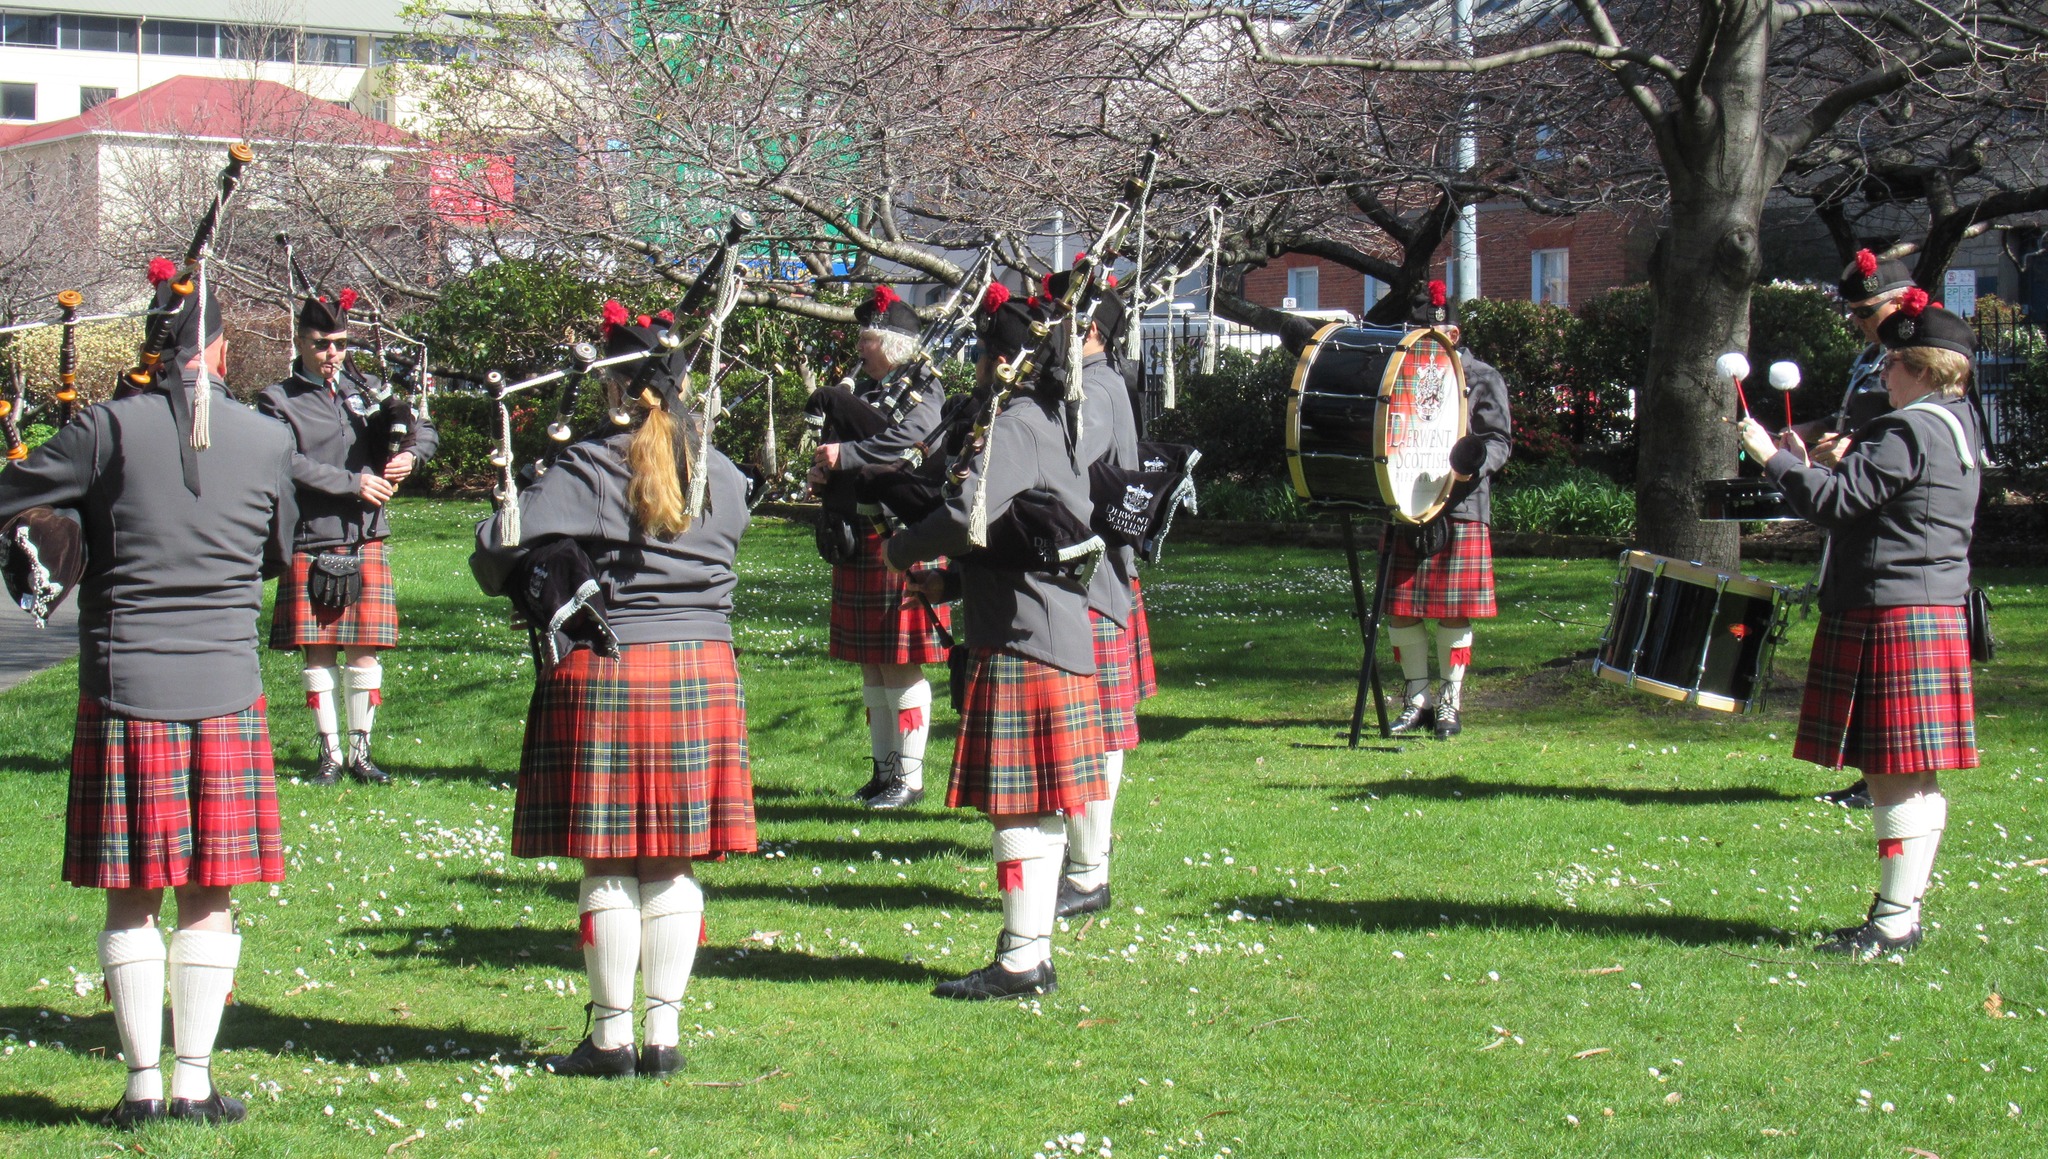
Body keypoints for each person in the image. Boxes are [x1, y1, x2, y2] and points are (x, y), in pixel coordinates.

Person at [0, 261, 296, 1127]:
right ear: (221, 351)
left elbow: (10, 494)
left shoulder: (103, 430)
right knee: (210, 891)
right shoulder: (268, 438)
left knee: (132, 893)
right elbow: (277, 552)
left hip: (124, 684)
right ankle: (194, 1085)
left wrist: (64, 527)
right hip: (227, 686)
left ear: (153, 348)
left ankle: (140, 1089)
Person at [473, 306, 755, 1075]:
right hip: (702, 670)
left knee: (609, 861)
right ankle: (663, 1039)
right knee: (672, 859)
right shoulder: (725, 474)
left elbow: (496, 547)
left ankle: (610, 1039)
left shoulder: (591, 466)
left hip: (612, 668)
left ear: (613, 387)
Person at [1739, 290, 1981, 960]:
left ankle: (1893, 925)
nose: (1884, 377)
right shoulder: (1957, 424)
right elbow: (1884, 499)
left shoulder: (1907, 430)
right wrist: (1813, 463)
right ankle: (1902, 914)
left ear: (1922, 368)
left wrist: (1772, 459)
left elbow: (1838, 505)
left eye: (1893, 365)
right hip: (1929, 606)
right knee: (1917, 776)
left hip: (1890, 609)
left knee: (1892, 774)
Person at [889, 288, 1106, 1000]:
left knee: (1019, 805)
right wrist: (952, 583)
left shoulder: (1014, 424)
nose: (976, 366)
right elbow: (1024, 531)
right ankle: (1028, 953)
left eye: (983, 353)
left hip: (1024, 637)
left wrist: (902, 549)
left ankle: (1020, 960)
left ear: (1003, 360)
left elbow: (965, 515)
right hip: (1044, 624)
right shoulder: (1053, 417)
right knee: (1037, 805)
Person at [258, 290, 438, 786]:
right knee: (318, 649)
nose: (332, 353)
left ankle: (361, 753)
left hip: (365, 536)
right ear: (300, 342)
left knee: (364, 647)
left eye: (339, 343)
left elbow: (423, 428)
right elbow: (285, 461)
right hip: (311, 536)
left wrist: (412, 454)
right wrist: (352, 483)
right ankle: (329, 756)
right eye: (321, 343)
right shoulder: (277, 400)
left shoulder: (369, 389)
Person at [809, 285, 952, 809]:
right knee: (872, 663)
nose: (860, 347)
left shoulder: (923, 388)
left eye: (867, 339)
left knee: (899, 663)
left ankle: (909, 779)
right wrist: (825, 473)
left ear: (892, 343)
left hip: (902, 532)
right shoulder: (869, 389)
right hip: (860, 532)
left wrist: (844, 455)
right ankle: (884, 770)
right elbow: (853, 449)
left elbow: (907, 443)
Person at [1039, 270, 1140, 920]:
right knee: (1091, 731)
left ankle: (1088, 872)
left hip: (1092, 582)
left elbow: (1071, 464)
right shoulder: (1090, 384)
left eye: (1063, 320)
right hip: (1090, 580)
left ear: (1092, 331)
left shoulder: (1096, 390)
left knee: (1095, 732)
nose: (1050, 329)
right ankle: (1082, 866)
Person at [1805, 249, 1918, 809]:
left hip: (1896, 529)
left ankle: (1888, 781)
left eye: (1865, 311)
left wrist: (1850, 451)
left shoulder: (1922, 354)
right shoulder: (1873, 357)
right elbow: (1851, 421)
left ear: (1899, 303)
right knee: (1866, 671)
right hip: (1860, 513)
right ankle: (1870, 777)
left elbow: (1911, 432)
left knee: (1889, 677)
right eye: (1852, 313)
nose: (1858, 322)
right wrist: (1804, 434)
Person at [1383, 280, 1513, 740]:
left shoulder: (1483, 377)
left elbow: (1498, 441)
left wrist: (1472, 463)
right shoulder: (1398, 374)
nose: (1427, 341)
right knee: (1401, 608)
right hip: (1406, 501)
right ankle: (1417, 700)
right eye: (1418, 333)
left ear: (1454, 334)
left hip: (1461, 505)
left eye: (1437, 334)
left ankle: (1449, 704)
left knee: (1454, 610)